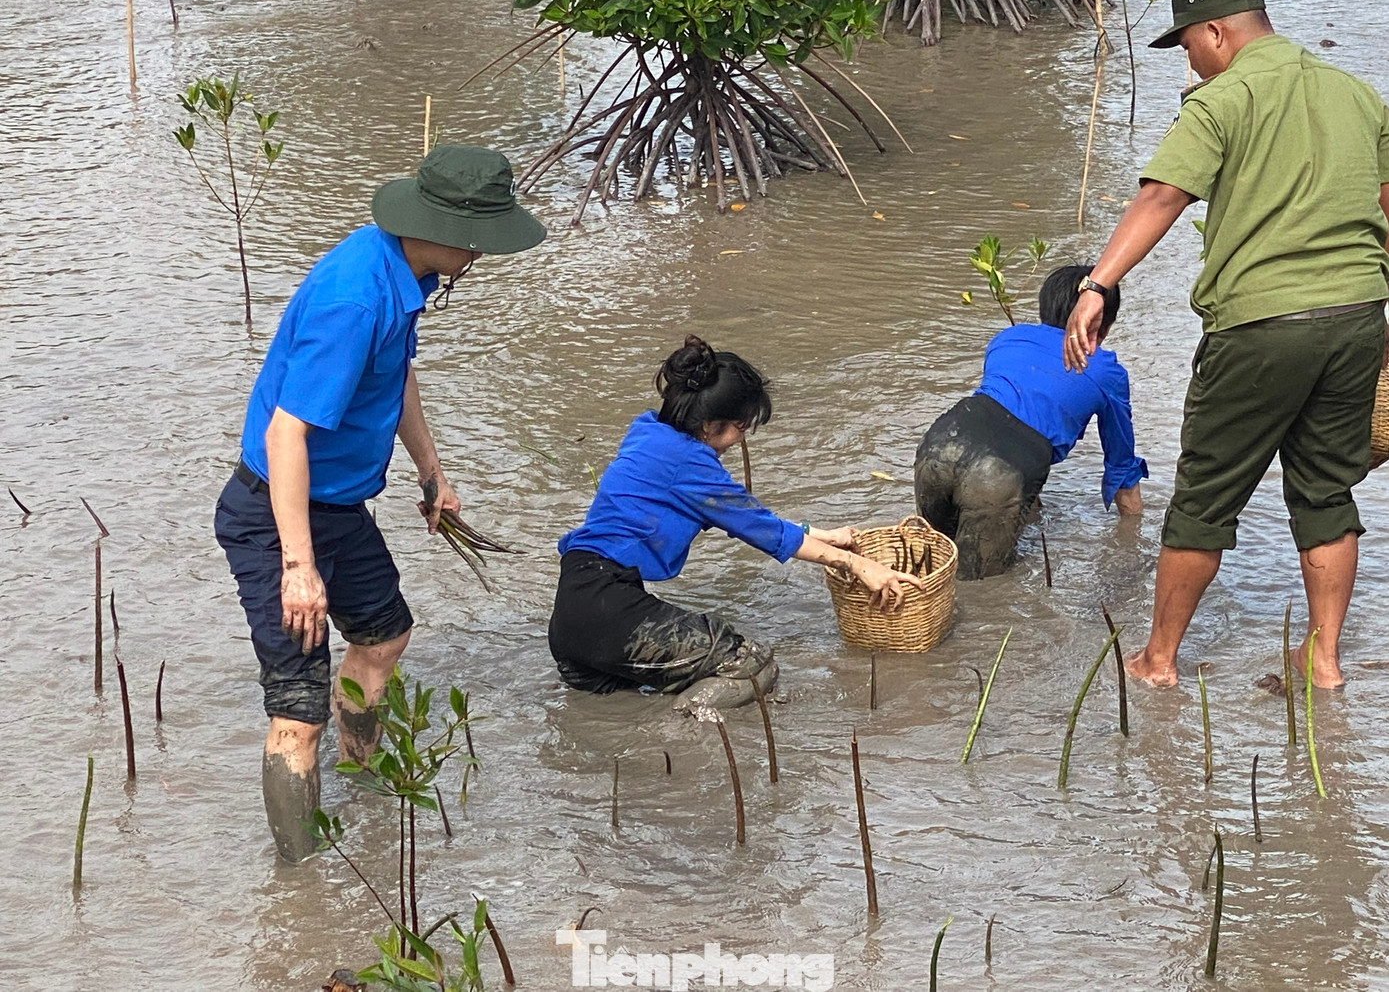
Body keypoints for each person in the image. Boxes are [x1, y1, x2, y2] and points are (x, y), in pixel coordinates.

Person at [214, 145, 545, 861]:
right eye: (483, 237)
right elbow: (285, 432)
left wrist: (433, 474)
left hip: (337, 507)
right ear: (447, 228)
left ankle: (361, 784)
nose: (487, 253)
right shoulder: (356, 298)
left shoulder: (401, 274)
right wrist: (298, 566)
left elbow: (397, 377)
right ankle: (299, 877)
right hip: (278, 513)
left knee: (385, 635)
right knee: (295, 713)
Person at [1062, 0, 1389, 688]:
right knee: (1329, 490)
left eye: (1187, 45)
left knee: (1205, 496)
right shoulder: (1358, 93)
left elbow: (1162, 195)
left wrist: (1097, 283)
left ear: (1217, 32)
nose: (1190, 62)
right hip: (1360, 316)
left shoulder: (1224, 97)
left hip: (1264, 324)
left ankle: (1157, 660)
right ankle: (1324, 661)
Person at [549, 336, 923, 712]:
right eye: (741, 427)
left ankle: (657, 744)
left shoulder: (648, 432)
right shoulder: (690, 464)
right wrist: (859, 564)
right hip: (609, 613)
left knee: (614, 714)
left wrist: (825, 536)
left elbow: (749, 519)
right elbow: (764, 531)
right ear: (712, 426)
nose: (741, 438)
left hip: (572, 616)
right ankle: (677, 728)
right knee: (752, 666)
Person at [914, 264, 1146, 579]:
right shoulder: (1107, 372)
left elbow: (1003, 415)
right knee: (981, 588)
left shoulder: (1007, 339)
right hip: (997, 474)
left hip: (939, 444)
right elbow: (1121, 467)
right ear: (1101, 323)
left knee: (929, 564)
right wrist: (1133, 541)